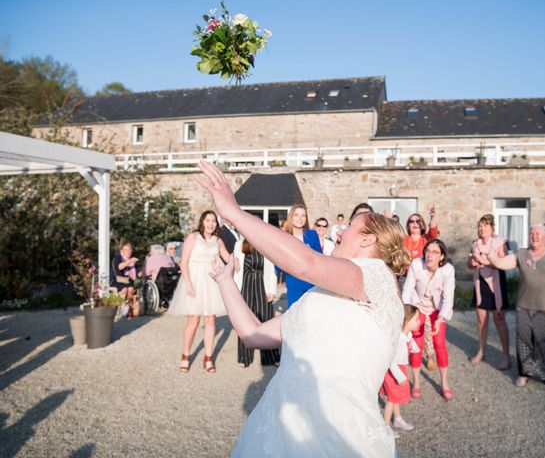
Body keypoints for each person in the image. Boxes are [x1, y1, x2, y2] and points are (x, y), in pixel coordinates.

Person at [197, 160, 411, 457]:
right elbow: (254, 334)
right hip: (277, 430)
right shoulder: (318, 297)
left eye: (348, 228)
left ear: (368, 239)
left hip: (334, 432)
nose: (339, 233)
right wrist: (224, 281)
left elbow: (305, 262)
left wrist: (234, 212)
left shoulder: (378, 278)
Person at [474, 224, 545, 388]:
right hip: (525, 306)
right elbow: (501, 263)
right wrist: (490, 255)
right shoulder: (522, 254)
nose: (534, 236)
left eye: (537, 233)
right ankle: (524, 373)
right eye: (531, 233)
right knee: (524, 342)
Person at [168, 210, 232, 373]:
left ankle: (208, 357)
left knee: (210, 320)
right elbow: (184, 261)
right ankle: (186, 355)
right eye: (208, 220)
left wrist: (237, 257)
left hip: (210, 282)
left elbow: (228, 257)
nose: (211, 224)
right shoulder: (193, 237)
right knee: (193, 321)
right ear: (202, 222)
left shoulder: (217, 240)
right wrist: (188, 284)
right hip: (194, 280)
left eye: (213, 221)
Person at [402, 238, 456, 400]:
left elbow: (448, 298)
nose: (429, 255)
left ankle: (444, 382)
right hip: (418, 304)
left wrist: (441, 318)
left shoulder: (448, 270)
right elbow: (407, 289)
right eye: (427, 251)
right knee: (417, 344)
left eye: (434, 252)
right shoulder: (416, 265)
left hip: (437, 308)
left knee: (439, 343)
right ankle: (416, 382)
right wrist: (408, 313)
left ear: (442, 256)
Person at [467, 214, 511, 370]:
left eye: (485, 226)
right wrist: (472, 262)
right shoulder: (475, 243)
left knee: (499, 318)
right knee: (481, 318)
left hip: (496, 282)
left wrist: (483, 260)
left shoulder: (500, 243)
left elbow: (503, 263)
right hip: (480, 283)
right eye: (480, 226)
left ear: (492, 228)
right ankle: (482, 351)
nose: (482, 229)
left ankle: (506, 356)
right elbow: (469, 263)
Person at [236, 239, 280, 368]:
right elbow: (236, 269)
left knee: (266, 319)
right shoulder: (239, 244)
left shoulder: (265, 243)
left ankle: (271, 357)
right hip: (245, 285)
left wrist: (272, 290)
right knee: (244, 321)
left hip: (262, 285)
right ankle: (244, 357)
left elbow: (272, 268)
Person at [380, 304, 421, 438]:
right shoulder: (397, 339)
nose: (419, 321)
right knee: (391, 400)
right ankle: (386, 427)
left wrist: (414, 346)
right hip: (393, 371)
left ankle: (397, 419)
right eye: (416, 319)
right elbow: (390, 359)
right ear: (406, 321)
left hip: (401, 368)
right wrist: (399, 375)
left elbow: (409, 340)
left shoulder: (407, 334)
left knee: (395, 397)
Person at [275, 205, 323, 307]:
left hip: (312, 284)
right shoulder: (284, 237)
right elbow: (278, 265)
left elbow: (320, 258)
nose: (300, 219)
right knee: (296, 317)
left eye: (303, 216)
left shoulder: (312, 235)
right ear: (291, 217)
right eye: (296, 215)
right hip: (295, 284)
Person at [110, 242, 138, 309]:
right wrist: (129, 262)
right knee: (124, 289)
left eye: (129, 249)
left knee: (131, 289)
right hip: (117, 280)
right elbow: (119, 267)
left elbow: (135, 273)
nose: (128, 251)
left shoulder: (132, 259)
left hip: (127, 281)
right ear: (121, 251)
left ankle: (128, 307)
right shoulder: (118, 258)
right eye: (126, 249)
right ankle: (121, 307)